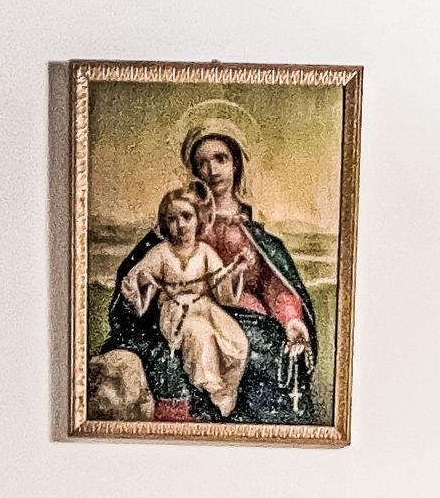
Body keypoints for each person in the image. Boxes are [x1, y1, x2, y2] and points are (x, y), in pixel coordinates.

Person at [103, 113, 320, 423]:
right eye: (202, 163)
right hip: (187, 312)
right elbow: (144, 269)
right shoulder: (180, 220)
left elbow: (273, 285)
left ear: (236, 164)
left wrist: (291, 319)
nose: (212, 170)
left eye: (220, 159)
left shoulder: (251, 232)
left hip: (248, 316)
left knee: (263, 351)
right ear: (194, 170)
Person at [118, 185, 250, 417]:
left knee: (236, 339)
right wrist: (144, 281)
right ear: (165, 223)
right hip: (176, 311)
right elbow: (134, 278)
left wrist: (236, 270)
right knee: (200, 335)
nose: (180, 225)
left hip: (205, 307)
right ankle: (212, 392)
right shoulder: (161, 252)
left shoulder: (205, 252)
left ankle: (228, 390)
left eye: (186, 217)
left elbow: (222, 291)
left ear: (199, 219)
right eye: (172, 219)